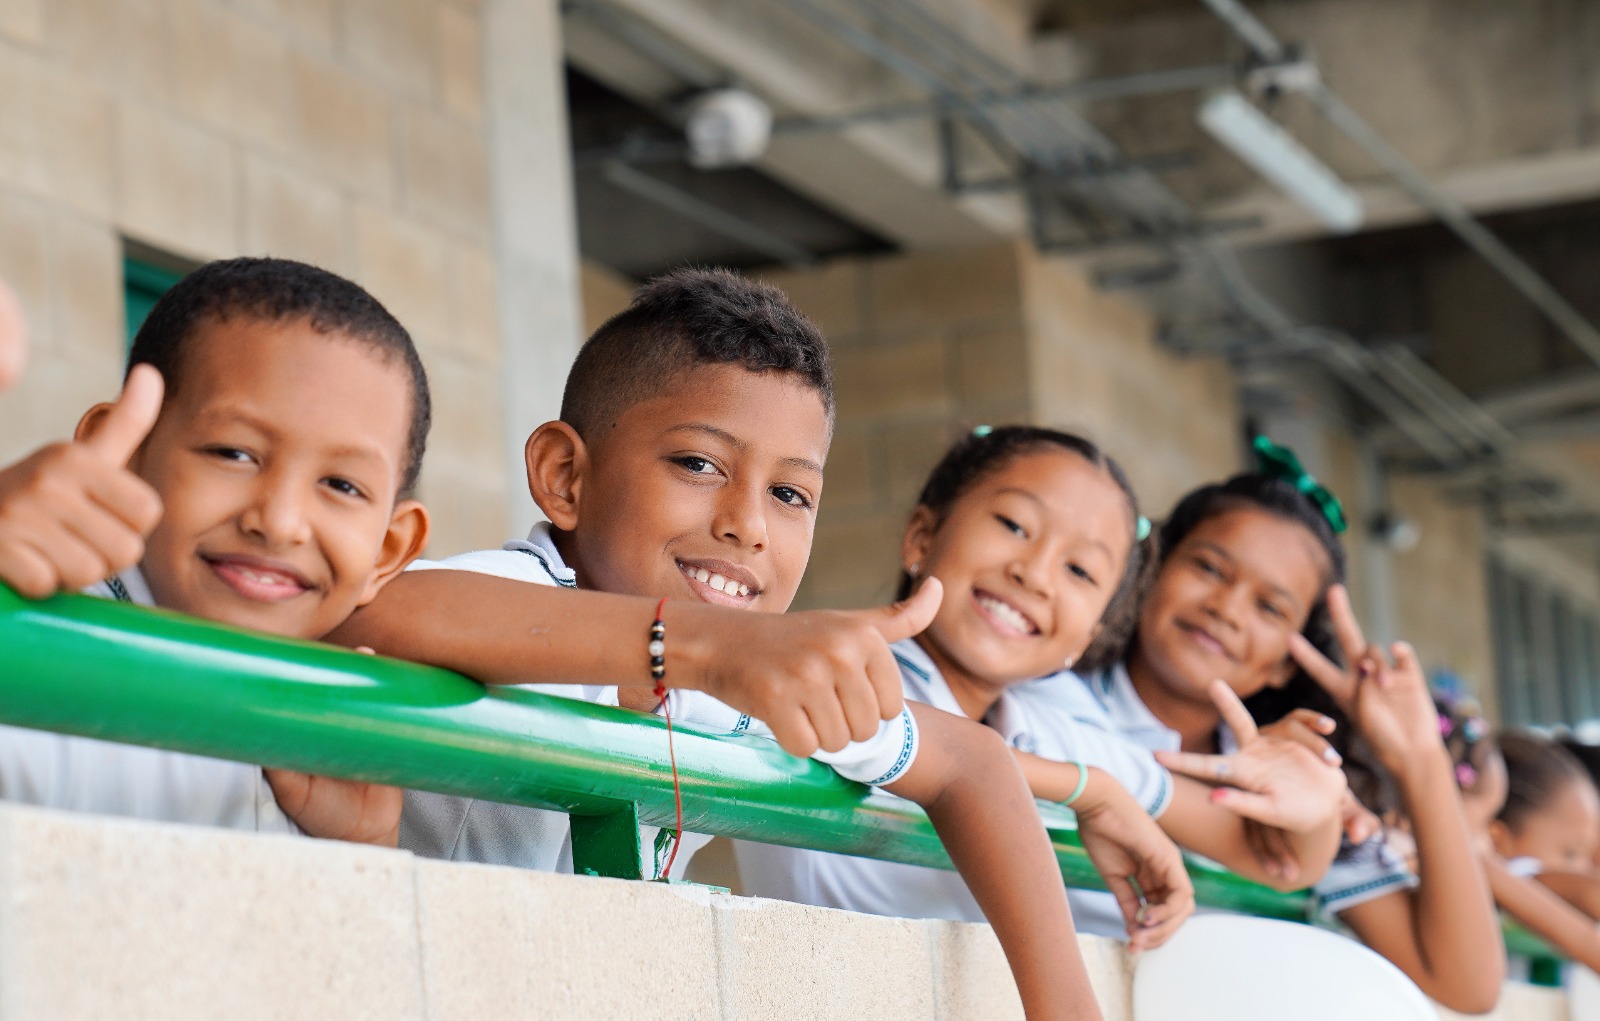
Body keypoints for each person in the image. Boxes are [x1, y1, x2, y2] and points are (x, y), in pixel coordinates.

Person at [337, 269, 1178, 1018]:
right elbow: (379, 605)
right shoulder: (530, 589)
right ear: (565, 476)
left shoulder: (753, 666)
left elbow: (969, 763)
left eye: (790, 494)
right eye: (699, 464)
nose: (748, 524)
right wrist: (701, 645)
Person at [0, 257, 433, 846]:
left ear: (387, 552)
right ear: (124, 458)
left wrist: (366, 844)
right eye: (233, 453)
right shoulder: (44, 656)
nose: (279, 524)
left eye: (341, 485)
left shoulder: (340, 745)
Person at [1286, 591, 1503, 1012]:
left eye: (1269, 607)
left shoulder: (1334, 812)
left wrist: (1421, 757)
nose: (1229, 609)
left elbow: (1471, 988)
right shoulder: (1325, 799)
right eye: (1208, 568)